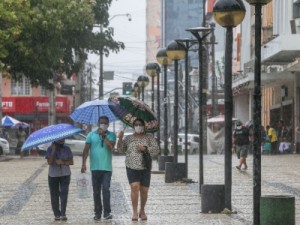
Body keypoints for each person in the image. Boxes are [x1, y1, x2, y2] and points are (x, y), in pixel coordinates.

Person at [117, 118, 159, 221]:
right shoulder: (128, 138)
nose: (138, 126)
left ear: (144, 126)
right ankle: (135, 212)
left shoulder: (149, 138)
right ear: (133, 126)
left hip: (145, 167)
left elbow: (156, 150)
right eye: (136, 124)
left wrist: (144, 149)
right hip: (131, 167)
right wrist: (120, 139)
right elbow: (121, 150)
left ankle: (142, 210)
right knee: (135, 187)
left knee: (144, 190)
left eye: (140, 124)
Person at [81, 116, 116, 221]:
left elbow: (111, 146)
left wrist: (104, 136)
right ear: (98, 123)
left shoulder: (111, 135)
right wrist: (83, 163)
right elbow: (86, 150)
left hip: (107, 168)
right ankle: (97, 213)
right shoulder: (91, 135)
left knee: (106, 190)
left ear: (108, 124)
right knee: (96, 191)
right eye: (101, 123)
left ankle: (107, 213)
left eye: (105, 123)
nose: (103, 124)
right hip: (95, 168)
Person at [45, 138, 74, 221]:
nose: (62, 140)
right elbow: (50, 162)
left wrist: (63, 162)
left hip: (65, 174)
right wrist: (53, 151)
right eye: (60, 139)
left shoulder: (67, 148)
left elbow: (72, 162)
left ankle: (63, 213)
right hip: (53, 175)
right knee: (54, 195)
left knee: (64, 194)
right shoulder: (50, 149)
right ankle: (57, 214)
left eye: (63, 139)